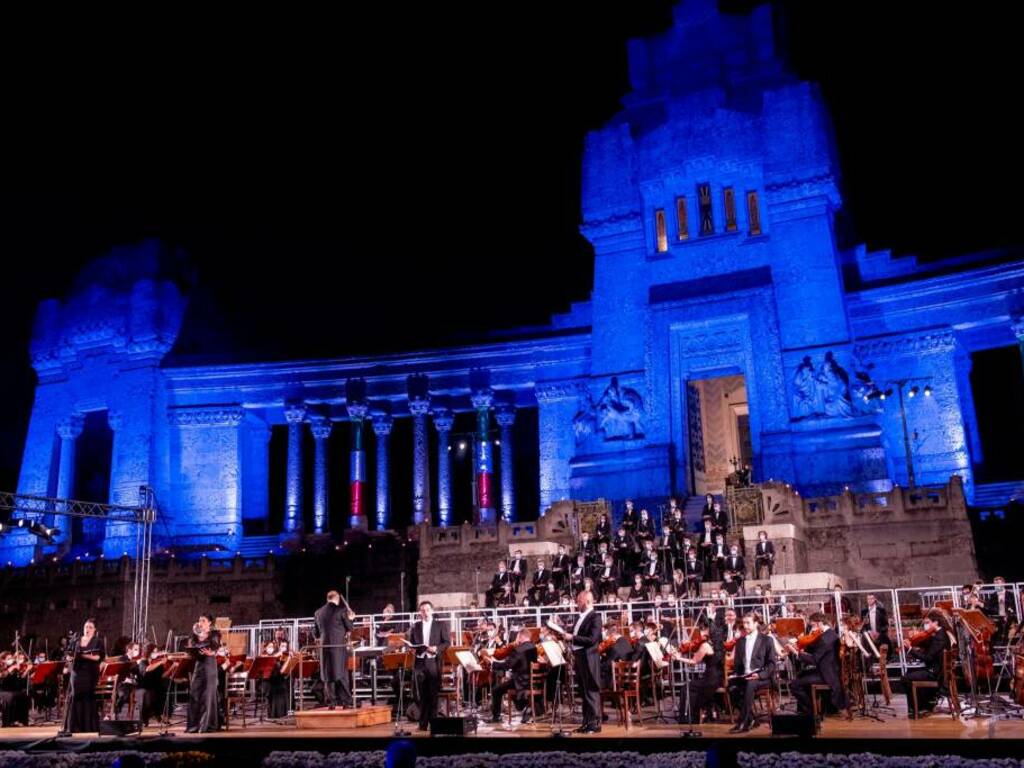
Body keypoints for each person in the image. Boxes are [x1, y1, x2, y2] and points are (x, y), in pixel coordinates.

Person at [788, 612, 847, 719]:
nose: (811, 629)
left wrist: (797, 653)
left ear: (819, 624)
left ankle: (811, 712)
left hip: (827, 675)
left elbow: (814, 659)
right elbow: (816, 651)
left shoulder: (826, 639)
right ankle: (805, 709)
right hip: (827, 670)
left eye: (812, 625)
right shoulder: (829, 634)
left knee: (795, 684)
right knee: (802, 675)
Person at [728, 613, 775, 733]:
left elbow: (771, 664)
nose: (745, 625)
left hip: (761, 676)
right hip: (746, 676)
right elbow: (738, 664)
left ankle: (742, 722)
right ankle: (752, 718)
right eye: (744, 623)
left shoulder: (767, 640)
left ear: (755, 623)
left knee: (750, 684)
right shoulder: (740, 641)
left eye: (748, 623)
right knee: (732, 687)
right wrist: (735, 674)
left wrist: (759, 675)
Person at [407, 600, 450, 731]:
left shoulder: (440, 624)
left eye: (427, 610)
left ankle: (434, 723)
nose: (424, 612)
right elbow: (412, 642)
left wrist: (436, 648)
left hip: (433, 662)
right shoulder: (416, 626)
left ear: (431, 610)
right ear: (419, 612)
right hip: (420, 662)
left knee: (433, 694)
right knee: (421, 694)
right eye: (422, 610)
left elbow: (446, 642)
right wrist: (412, 648)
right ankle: (423, 724)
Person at [902, 609, 952, 716]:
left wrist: (911, 649)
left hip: (935, 674)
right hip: (937, 670)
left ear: (935, 622)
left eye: (928, 623)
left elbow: (927, 657)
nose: (926, 626)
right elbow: (930, 648)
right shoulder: (940, 634)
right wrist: (917, 643)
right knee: (910, 674)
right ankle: (925, 704)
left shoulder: (939, 638)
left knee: (905, 678)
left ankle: (918, 708)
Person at [565, 590, 602, 733]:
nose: (577, 603)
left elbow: (592, 640)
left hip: (589, 658)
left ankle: (595, 723)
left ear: (587, 601)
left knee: (591, 691)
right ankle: (586, 722)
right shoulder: (579, 617)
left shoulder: (595, 618)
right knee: (584, 691)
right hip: (580, 657)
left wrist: (572, 638)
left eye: (579, 601)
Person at [313, 590, 356, 709]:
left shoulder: (318, 613)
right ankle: (346, 702)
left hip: (324, 648)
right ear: (337, 599)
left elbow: (316, 633)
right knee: (342, 674)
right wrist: (351, 618)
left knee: (328, 675)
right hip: (338, 647)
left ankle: (331, 702)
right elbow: (349, 628)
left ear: (328, 598)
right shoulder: (341, 611)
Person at [486, 628, 538, 725]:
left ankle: (496, 717)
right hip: (531, 681)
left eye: (517, 637)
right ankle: (525, 707)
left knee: (496, 690)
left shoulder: (518, 649)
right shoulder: (533, 647)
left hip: (520, 681)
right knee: (508, 683)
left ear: (521, 636)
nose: (516, 640)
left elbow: (508, 665)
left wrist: (493, 664)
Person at [678, 620, 724, 724]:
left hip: (710, 679)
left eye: (702, 629)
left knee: (686, 687)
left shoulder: (706, 645)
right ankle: (704, 711)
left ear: (708, 630)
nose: (701, 632)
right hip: (718, 678)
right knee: (693, 685)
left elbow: (694, 662)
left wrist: (678, 658)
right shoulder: (719, 643)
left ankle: (688, 717)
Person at [68, 617, 106, 733]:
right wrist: (69, 657)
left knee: (88, 696)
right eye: (86, 627)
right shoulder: (76, 640)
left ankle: (89, 726)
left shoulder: (98, 641)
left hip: (90, 672)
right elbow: (68, 653)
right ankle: (75, 726)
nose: (87, 629)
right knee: (76, 696)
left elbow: (99, 657)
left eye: (90, 627)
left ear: (94, 630)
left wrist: (84, 656)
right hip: (76, 672)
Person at [186, 613, 220, 733]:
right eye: (200, 620)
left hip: (210, 665)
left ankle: (206, 725)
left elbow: (214, 646)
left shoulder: (214, 634)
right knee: (194, 693)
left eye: (204, 621)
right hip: (198, 665)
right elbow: (192, 646)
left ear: (210, 623)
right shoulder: (194, 635)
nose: (201, 623)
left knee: (207, 696)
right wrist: (197, 635)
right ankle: (193, 726)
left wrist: (212, 652)